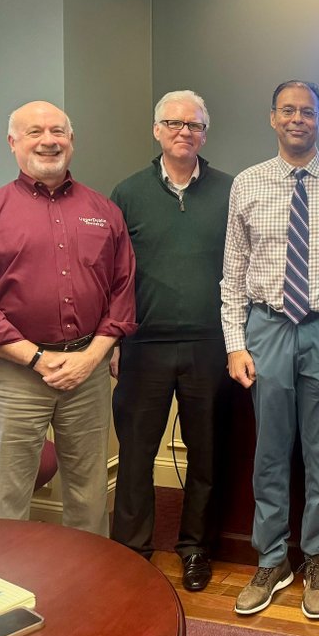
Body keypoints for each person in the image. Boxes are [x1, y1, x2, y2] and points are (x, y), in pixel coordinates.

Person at [0, 100, 136, 535]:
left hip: (86, 373)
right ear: (13, 143)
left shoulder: (104, 211)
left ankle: (87, 591)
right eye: (35, 132)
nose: (48, 141)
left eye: (58, 132)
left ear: (71, 142)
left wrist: (91, 358)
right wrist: (37, 359)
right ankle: (5, 596)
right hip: (12, 376)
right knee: (5, 498)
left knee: (88, 495)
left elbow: (123, 292)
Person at [222, 80, 319, 620]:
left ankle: (318, 560)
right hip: (267, 326)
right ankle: (270, 559)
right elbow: (233, 272)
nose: (297, 119)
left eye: (307, 111)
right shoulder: (248, 183)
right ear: (272, 117)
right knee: (270, 451)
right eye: (287, 110)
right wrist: (235, 343)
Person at [109, 90, 234, 592]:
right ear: (156, 130)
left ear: (206, 132)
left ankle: (196, 548)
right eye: (173, 123)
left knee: (206, 453)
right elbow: (113, 275)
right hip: (143, 345)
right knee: (136, 454)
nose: (184, 131)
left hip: (211, 343)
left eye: (194, 124)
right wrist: (114, 339)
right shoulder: (128, 193)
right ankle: (132, 550)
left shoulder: (231, 189)